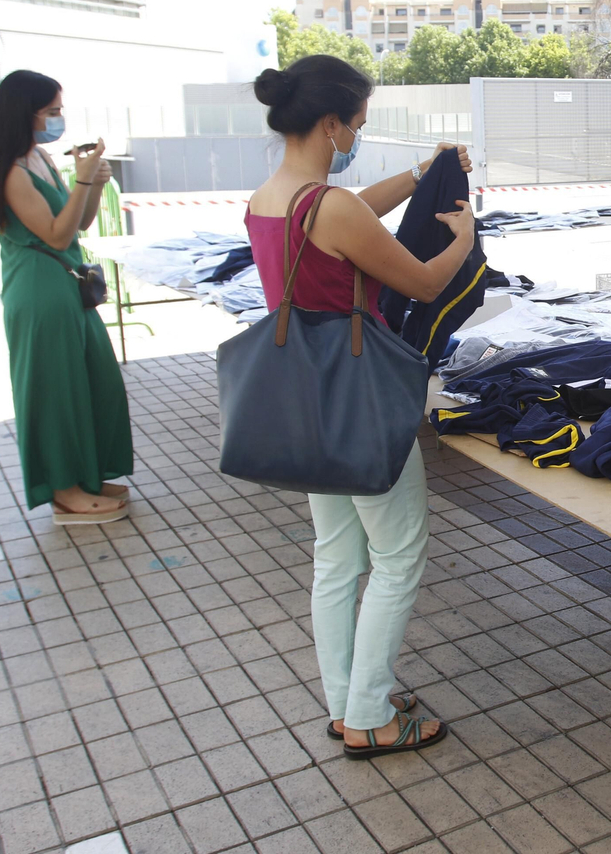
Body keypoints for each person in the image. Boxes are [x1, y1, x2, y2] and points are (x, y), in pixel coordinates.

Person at [246, 54, 477, 759]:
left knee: (337, 558)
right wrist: (463, 240)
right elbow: (422, 281)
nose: (358, 137)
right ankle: (372, 714)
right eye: (357, 126)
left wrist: (417, 175)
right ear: (329, 123)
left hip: (304, 399)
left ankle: (346, 699)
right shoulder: (331, 207)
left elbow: (352, 218)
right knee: (401, 553)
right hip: (358, 399)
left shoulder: (270, 197)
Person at [0, 71, 134, 525]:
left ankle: (87, 477)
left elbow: (78, 223)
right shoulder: (10, 172)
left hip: (65, 285)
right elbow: (56, 234)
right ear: (26, 113)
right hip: (39, 290)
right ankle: (65, 491)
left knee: (93, 380)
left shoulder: (37, 156)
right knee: (55, 391)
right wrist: (81, 181)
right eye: (52, 111)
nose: (59, 119)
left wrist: (94, 182)